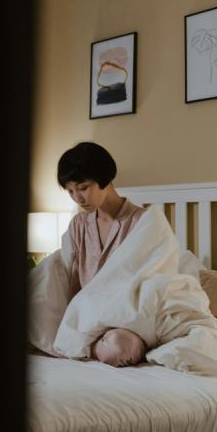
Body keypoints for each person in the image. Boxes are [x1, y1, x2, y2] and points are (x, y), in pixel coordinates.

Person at [56, 141, 148, 367]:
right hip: (87, 317)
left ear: (104, 178)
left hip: (126, 320)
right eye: (70, 191)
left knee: (120, 348)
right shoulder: (79, 224)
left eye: (83, 187)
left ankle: (84, 346)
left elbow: (151, 278)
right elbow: (74, 279)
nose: (78, 198)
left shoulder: (143, 221)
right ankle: (83, 343)